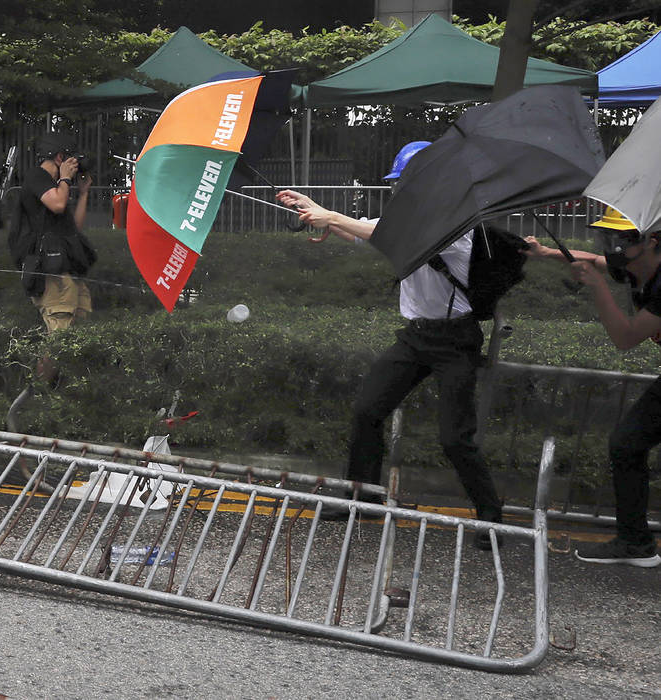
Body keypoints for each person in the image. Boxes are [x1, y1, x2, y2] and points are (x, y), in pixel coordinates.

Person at [276, 140, 504, 550]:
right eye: (400, 184)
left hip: (456, 339)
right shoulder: (410, 218)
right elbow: (366, 233)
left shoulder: (455, 223)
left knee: (455, 438)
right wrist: (320, 215)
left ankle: (491, 517)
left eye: (408, 182)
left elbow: (386, 233)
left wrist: (331, 215)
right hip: (416, 337)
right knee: (367, 412)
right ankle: (360, 499)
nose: (402, 190)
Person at [527, 208, 661, 567]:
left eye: (625, 239)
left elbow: (625, 337)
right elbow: (596, 259)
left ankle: (636, 541)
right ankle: (636, 543)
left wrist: (597, 288)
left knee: (628, 443)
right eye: (612, 237)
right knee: (627, 443)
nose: (615, 247)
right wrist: (544, 253)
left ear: (652, 240)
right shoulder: (632, 264)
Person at [16, 131, 95, 381]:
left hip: (68, 269)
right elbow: (58, 205)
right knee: (59, 338)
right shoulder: (38, 177)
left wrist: (82, 193)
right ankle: (39, 394)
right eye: (72, 160)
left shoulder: (58, 186)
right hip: (50, 273)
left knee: (77, 329)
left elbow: (74, 228)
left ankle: (66, 388)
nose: (75, 166)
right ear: (60, 157)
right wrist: (65, 180)